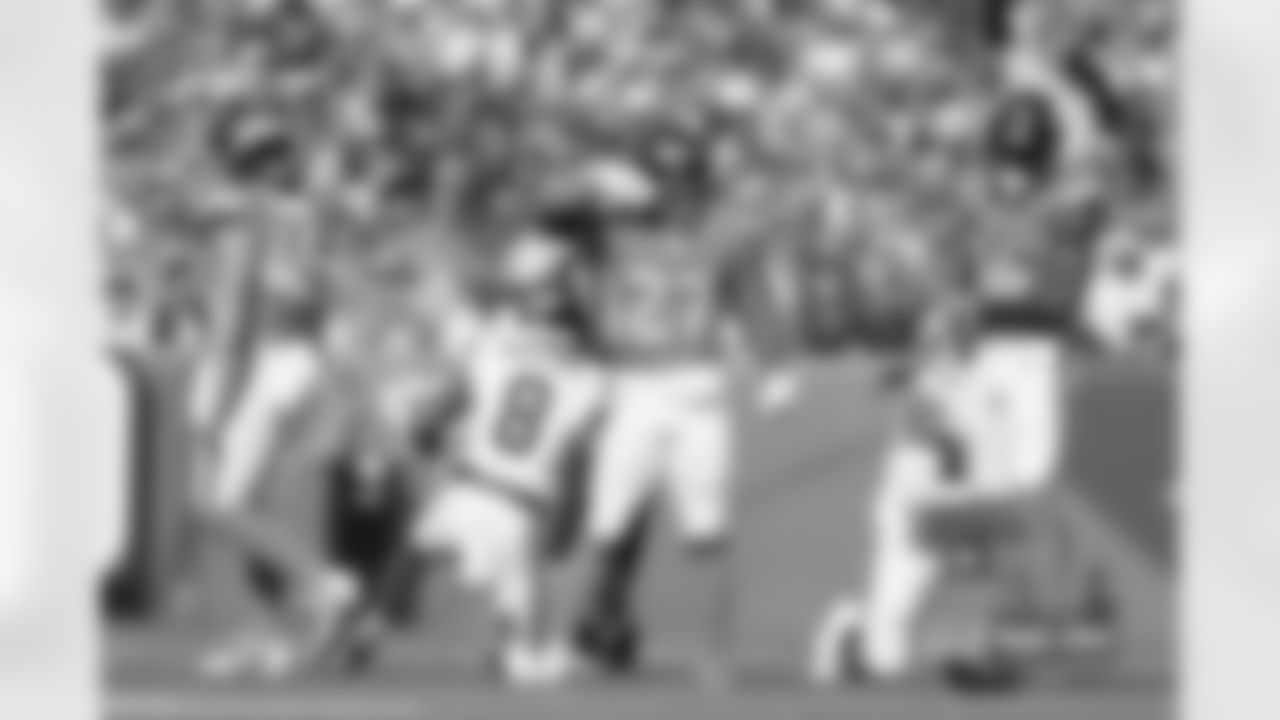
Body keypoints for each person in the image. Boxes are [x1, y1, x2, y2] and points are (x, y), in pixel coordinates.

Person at [404, 235, 608, 685]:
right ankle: (531, 642)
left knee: (415, 555)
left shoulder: (493, 345)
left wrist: (427, 433)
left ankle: (372, 621)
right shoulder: (589, 374)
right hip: (522, 510)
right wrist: (568, 519)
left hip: (466, 489)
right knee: (526, 645)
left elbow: (434, 419)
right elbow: (577, 464)